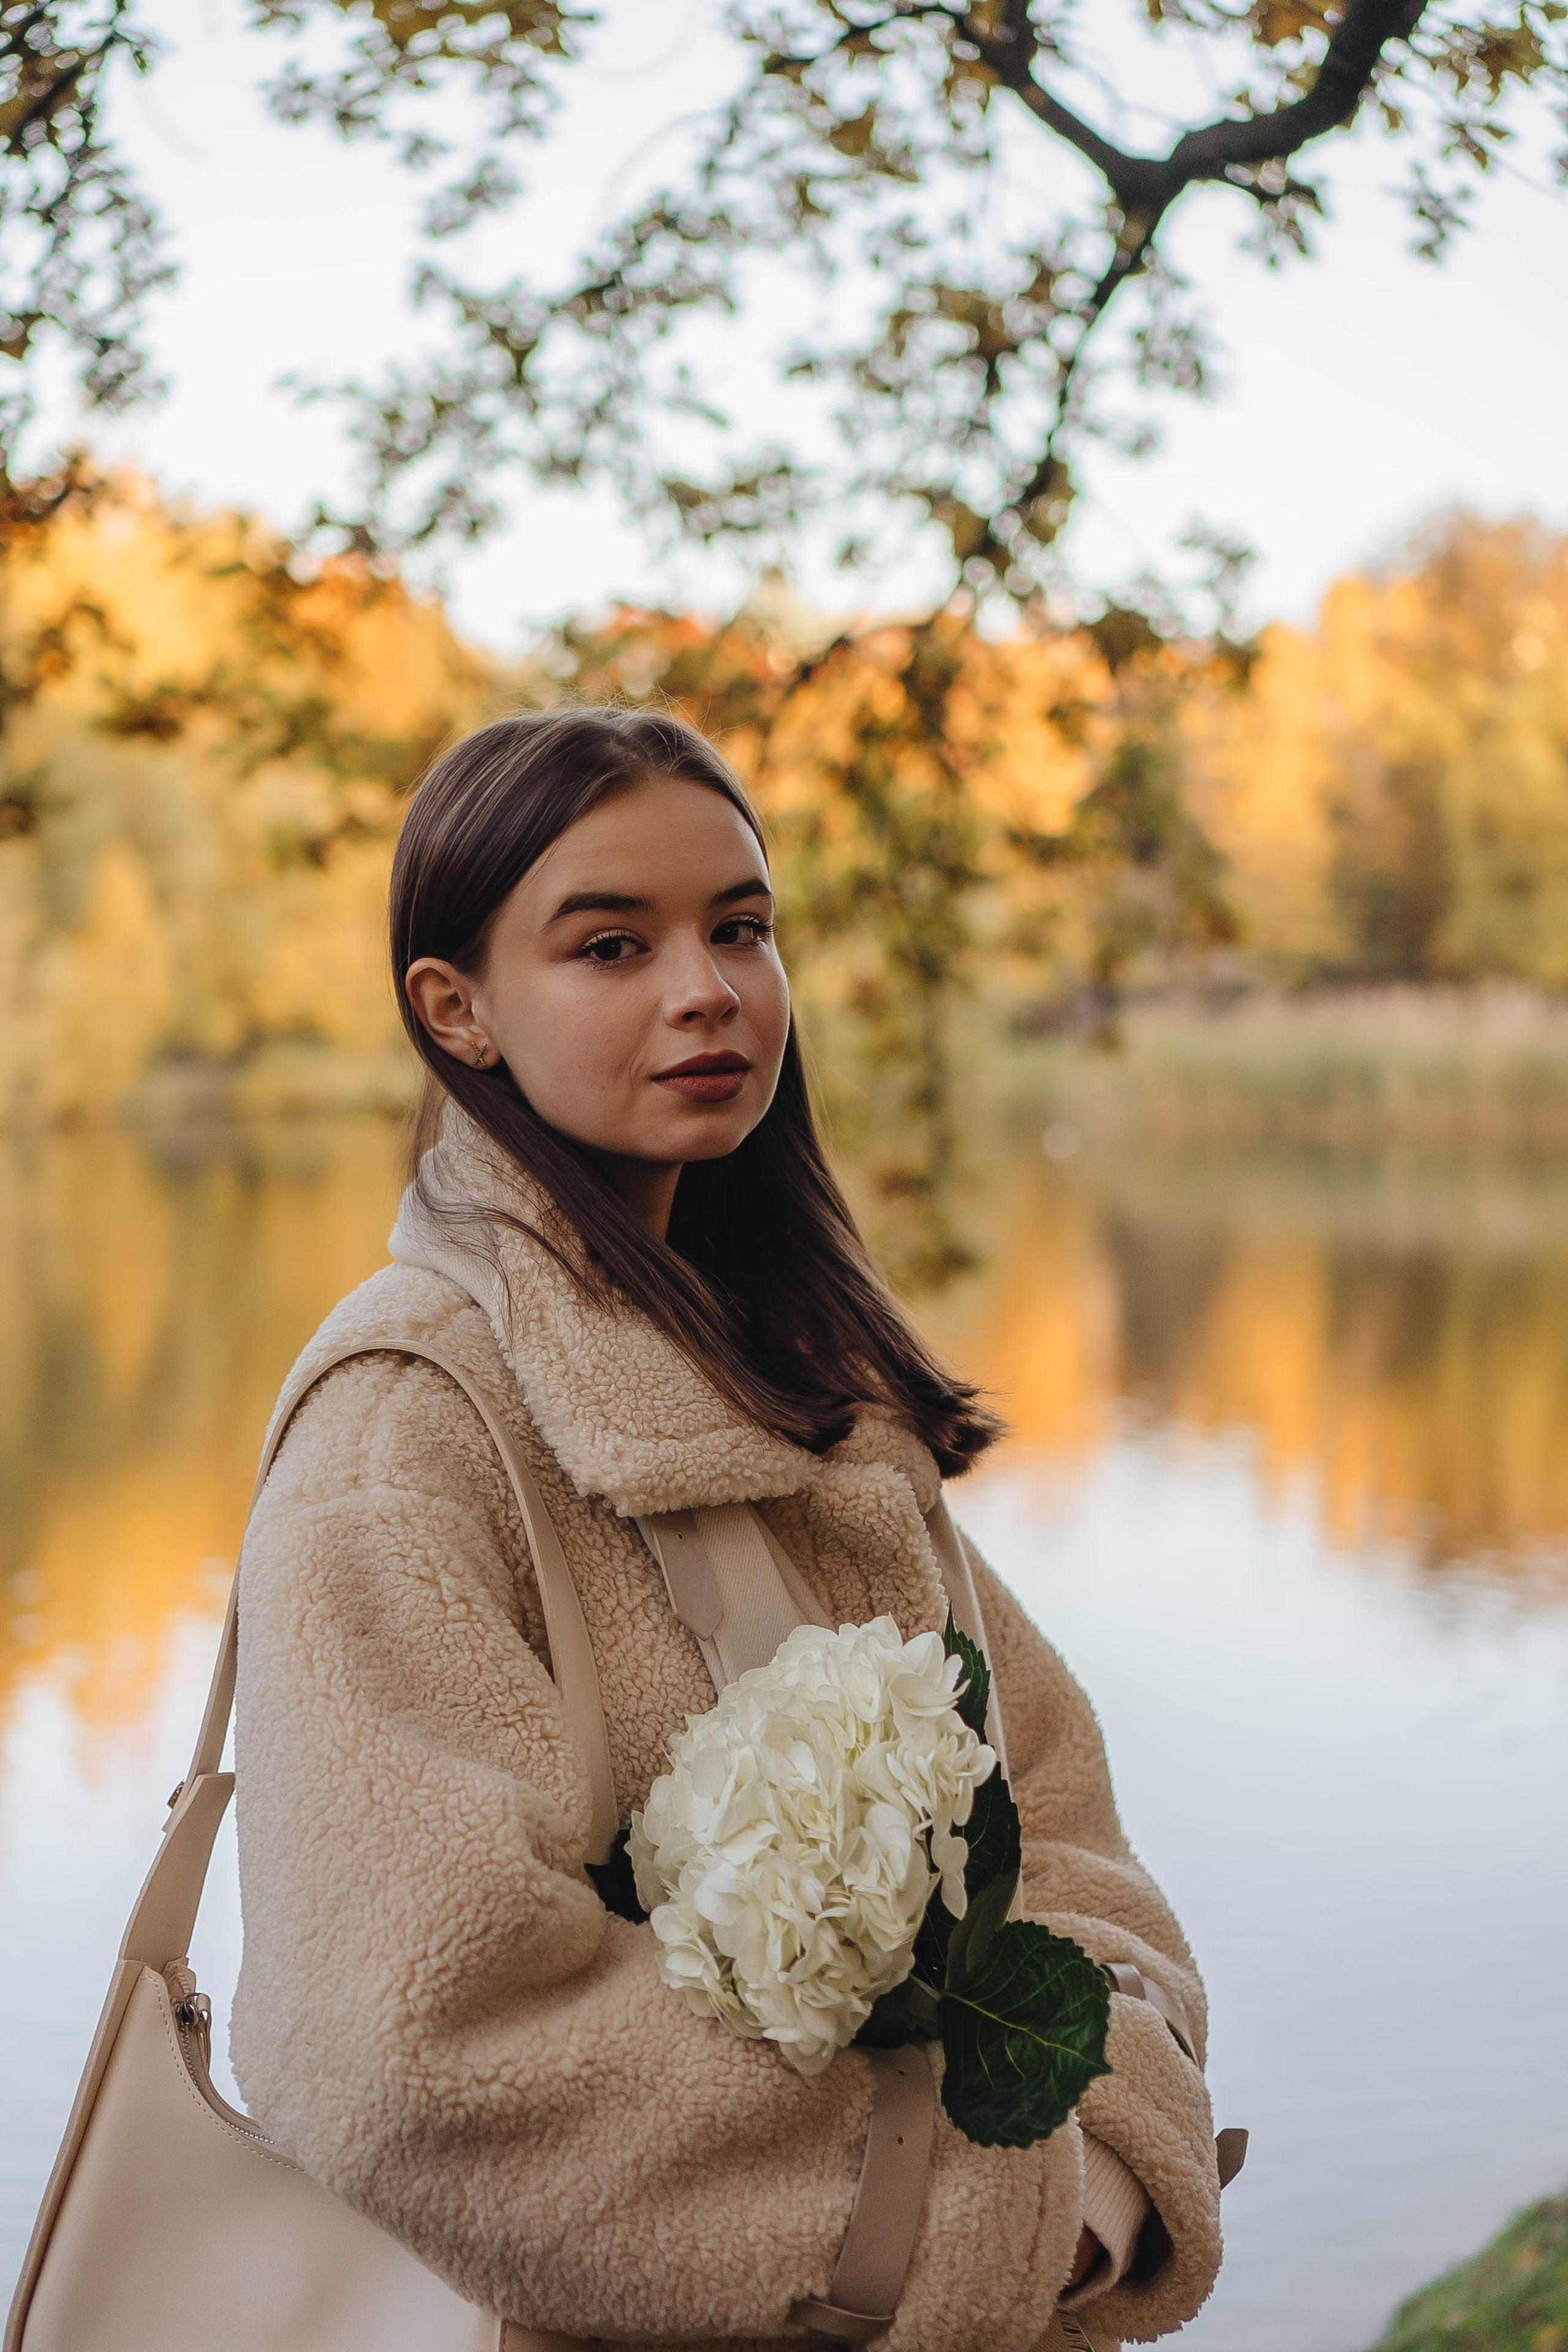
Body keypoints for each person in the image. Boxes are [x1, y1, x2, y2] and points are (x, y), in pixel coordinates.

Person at [231, 707, 1224, 2352]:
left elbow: (1054, 1824)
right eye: (611, 945)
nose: (707, 990)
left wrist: (1104, 2157)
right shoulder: (405, 1428)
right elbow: (415, 2045)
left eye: (741, 929)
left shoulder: (806, 1385)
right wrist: (968, 2225)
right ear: (455, 1008)